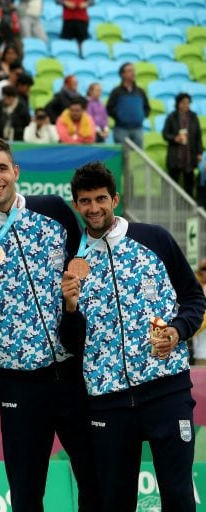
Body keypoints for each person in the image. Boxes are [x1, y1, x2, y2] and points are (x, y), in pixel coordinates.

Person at [0, 135, 98, 511]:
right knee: (27, 495)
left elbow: (85, 269)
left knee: (96, 484)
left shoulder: (54, 211)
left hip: (73, 374)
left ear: (15, 171)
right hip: (19, 384)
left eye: (1, 168)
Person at [60, 162, 206, 512]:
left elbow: (194, 298)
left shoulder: (155, 238)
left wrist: (177, 330)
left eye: (100, 199)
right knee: (114, 502)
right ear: (76, 204)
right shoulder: (72, 261)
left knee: (179, 496)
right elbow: (71, 343)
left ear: (116, 198)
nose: (94, 208)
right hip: (107, 402)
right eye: (84, 201)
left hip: (166, 390)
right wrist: (69, 308)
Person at [163, 92, 203, 198]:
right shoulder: (171, 117)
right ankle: (171, 205)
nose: (186, 105)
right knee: (173, 182)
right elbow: (165, 134)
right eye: (183, 103)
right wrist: (175, 138)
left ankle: (188, 208)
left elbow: (198, 136)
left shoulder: (194, 117)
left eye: (188, 103)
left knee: (189, 183)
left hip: (190, 155)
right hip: (176, 155)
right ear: (178, 104)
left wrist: (199, 153)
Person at [106, 62, 150, 149]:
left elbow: (146, 107)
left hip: (138, 129)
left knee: (138, 157)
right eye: (129, 71)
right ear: (122, 74)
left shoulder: (140, 91)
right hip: (121, 129)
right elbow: (109, 108)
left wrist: (141, 116)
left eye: (133, 70)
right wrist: (120, 116)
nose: (133, 73)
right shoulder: (116, 91)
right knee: (122, 157)